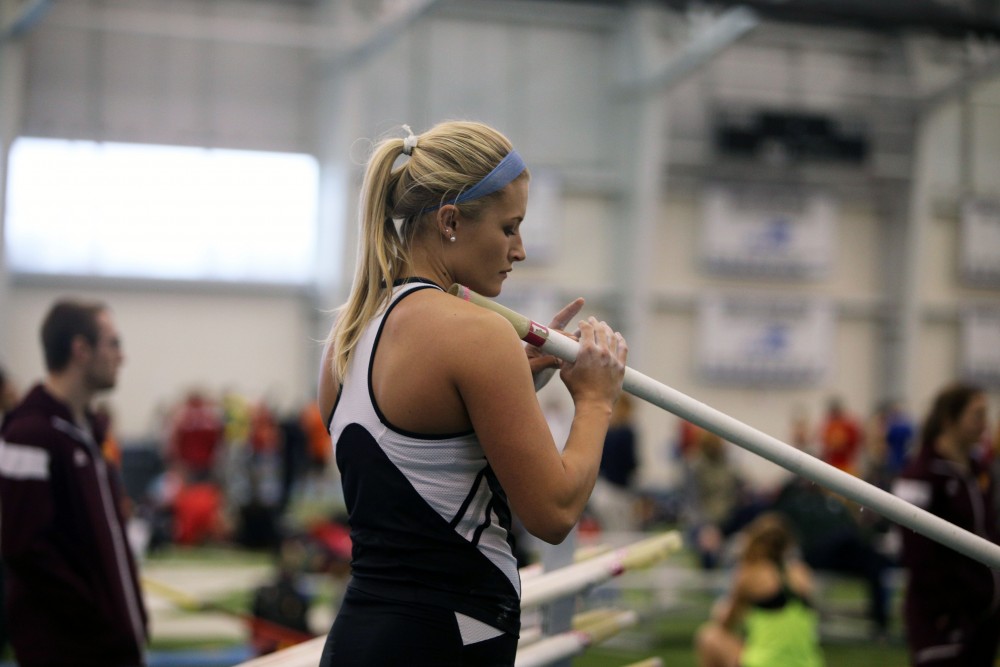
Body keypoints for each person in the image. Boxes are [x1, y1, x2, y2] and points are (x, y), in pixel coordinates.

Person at [316, 121, 627, 666]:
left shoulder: (345, 337)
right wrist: (597, 402)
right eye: (510, 227)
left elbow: (413, 470)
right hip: (448, 638)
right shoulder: (477, 334)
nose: (521, 249)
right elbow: (553, 514)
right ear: (451, 221)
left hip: (359, 637)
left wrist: (515, 383)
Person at [0, 300, 148, 666]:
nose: (122, 356)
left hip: (109, 646)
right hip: (72, 652)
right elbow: (26, 550)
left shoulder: (89, 434)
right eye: (113, 343)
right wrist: (98, 621)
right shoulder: (29, 435)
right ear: (80, 350)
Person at [892, 382, 999, 666]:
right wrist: (947, 606)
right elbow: (914, 550)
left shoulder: (980, 472)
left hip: (983, 614)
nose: (984, 424)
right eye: (976, 415)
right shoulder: (919, 475)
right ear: (949, 420)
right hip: (941, 616)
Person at [694, 512, 825, 667]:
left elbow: (725, 623)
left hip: (766, 663)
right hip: (808, 663)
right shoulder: (801, 572)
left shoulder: (751, 575)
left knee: (709, 636)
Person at [588, 394, 640, 532]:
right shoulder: (627, 432)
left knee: (609, 531)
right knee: (622, 532)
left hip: (602, 489)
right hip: (618, 491)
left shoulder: (605, 431)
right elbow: (631, 462)